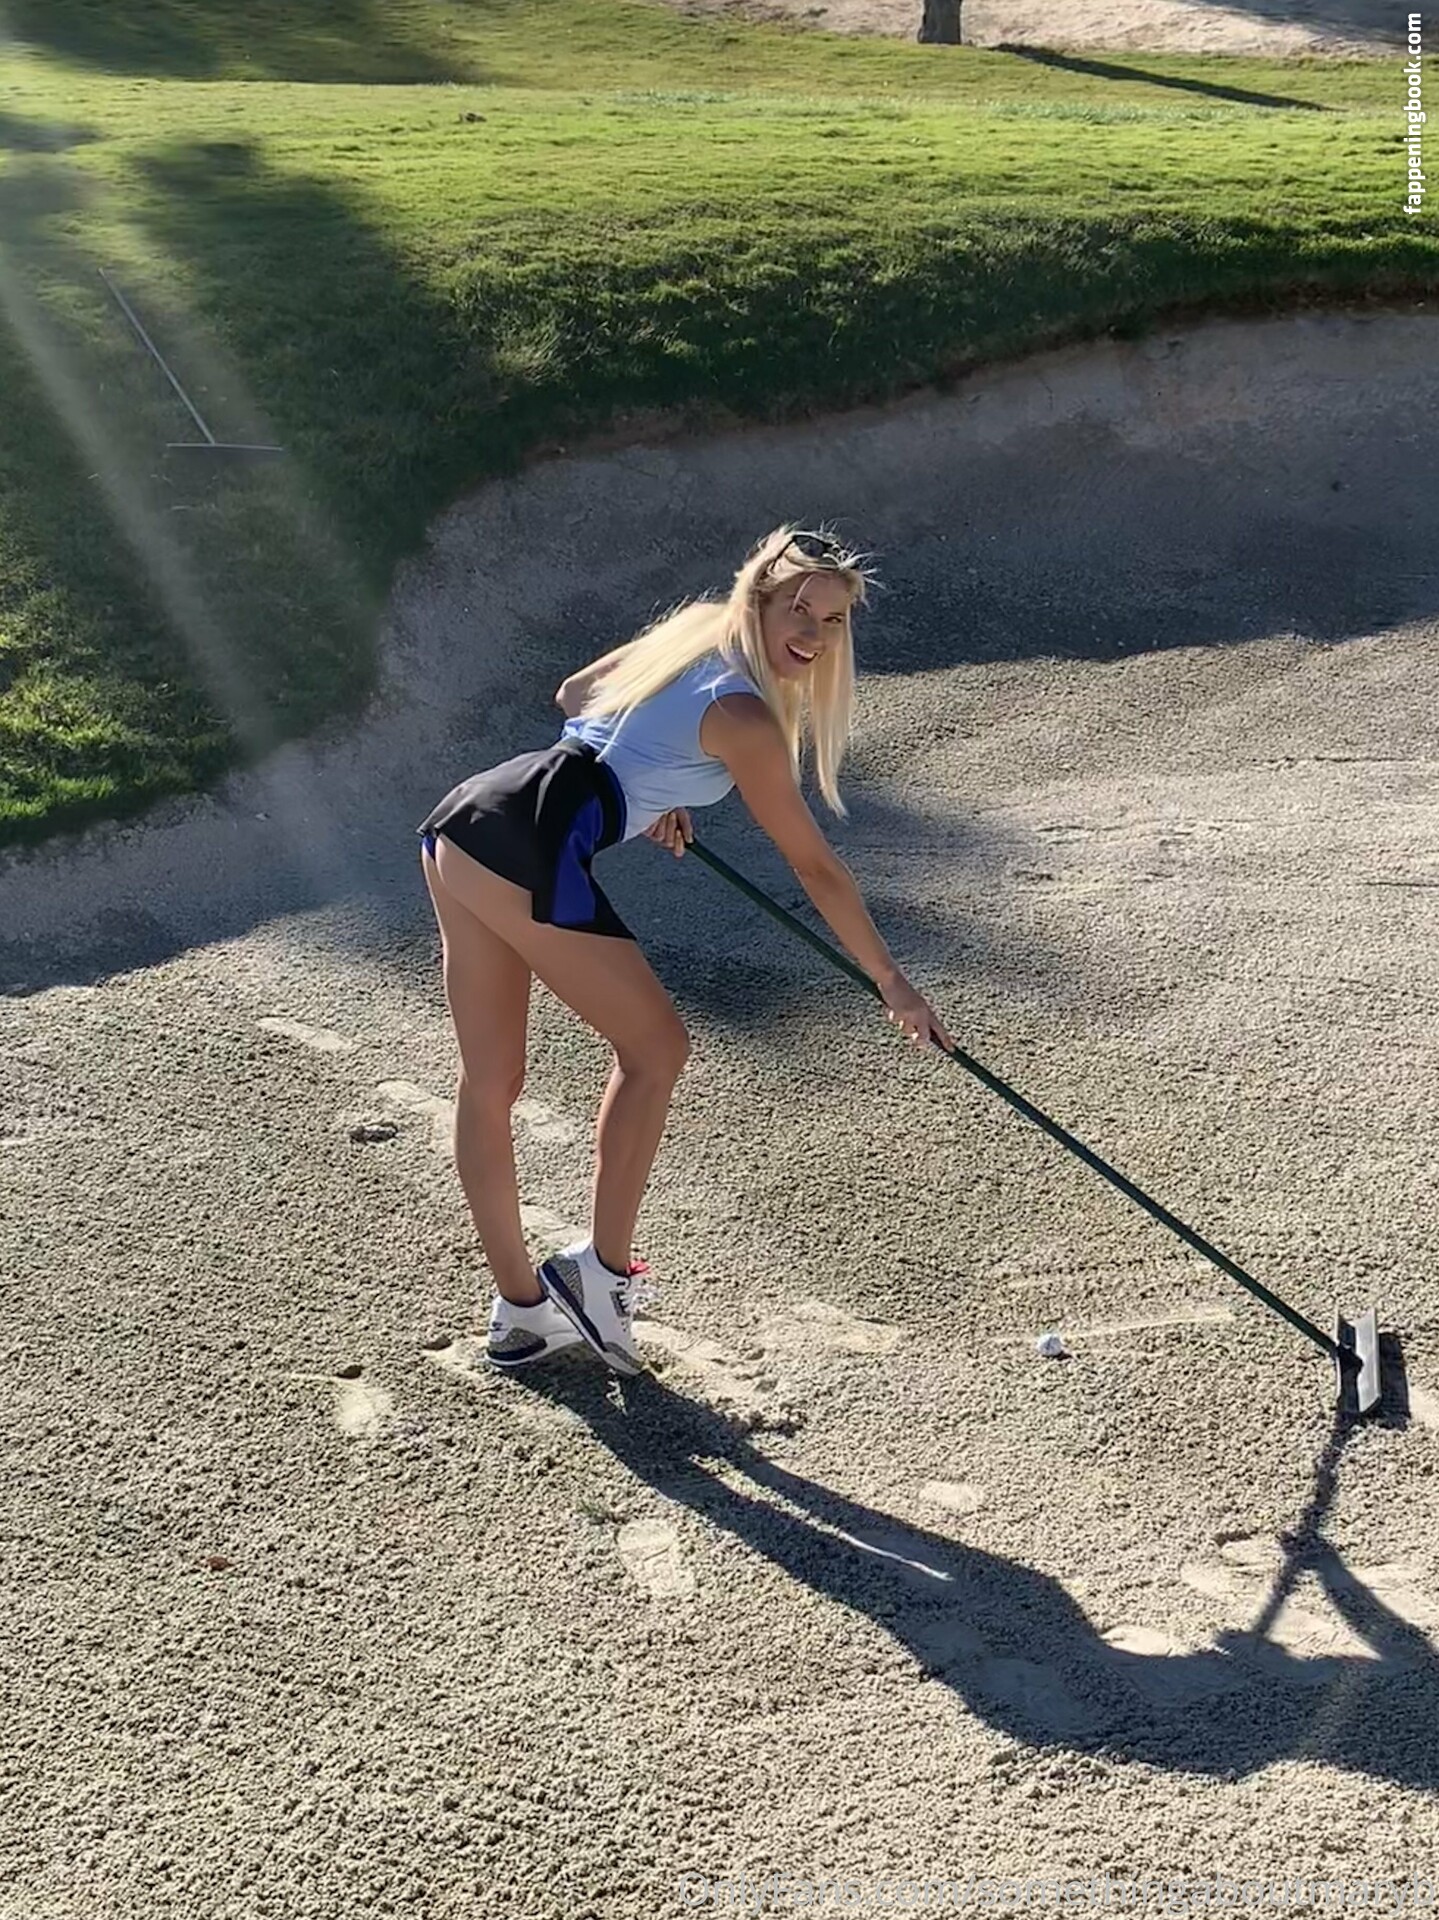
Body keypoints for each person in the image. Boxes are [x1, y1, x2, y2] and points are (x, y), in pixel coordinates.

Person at [415, 523, 954, 1376]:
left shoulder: (696, 630)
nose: (813, 635)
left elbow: (574, 695)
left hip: (472, 817)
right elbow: (813, 866)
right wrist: (891, 981)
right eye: (798, 611)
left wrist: (649, 786)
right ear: (758, 600)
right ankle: (599, 1278)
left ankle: (521, 1314)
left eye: (832, 620)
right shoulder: (744, 717)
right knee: (655, 1048)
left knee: (490, 1083)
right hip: (528, 841)